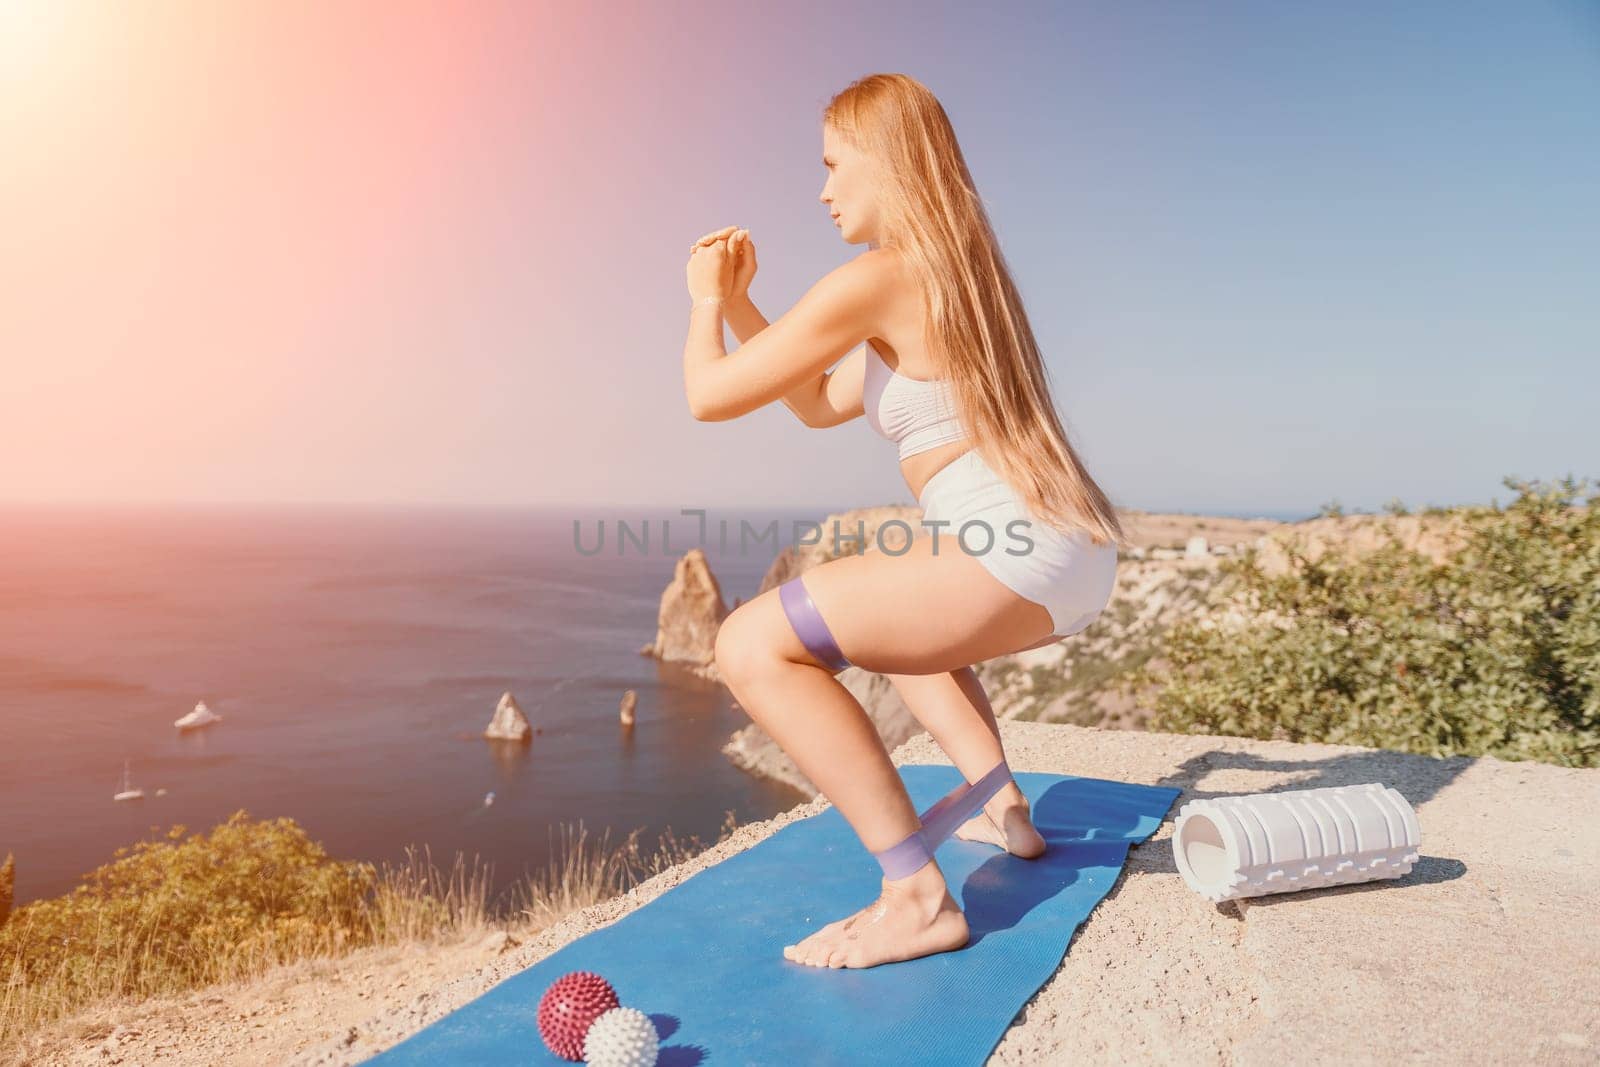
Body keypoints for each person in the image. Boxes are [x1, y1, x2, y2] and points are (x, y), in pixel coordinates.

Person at [681, 73, 1129, 971]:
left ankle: (915, 894)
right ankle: (1005, 809)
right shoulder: (958, 282)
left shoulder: (880, 278)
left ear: (885, 163)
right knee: (897, 620)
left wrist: (701, 300)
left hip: (1011, 547)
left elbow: (710, 395)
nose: (822, 190)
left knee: (749, 644)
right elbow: (811, 399)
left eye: (833, 165)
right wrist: (742, 303)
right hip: (1063, 547)